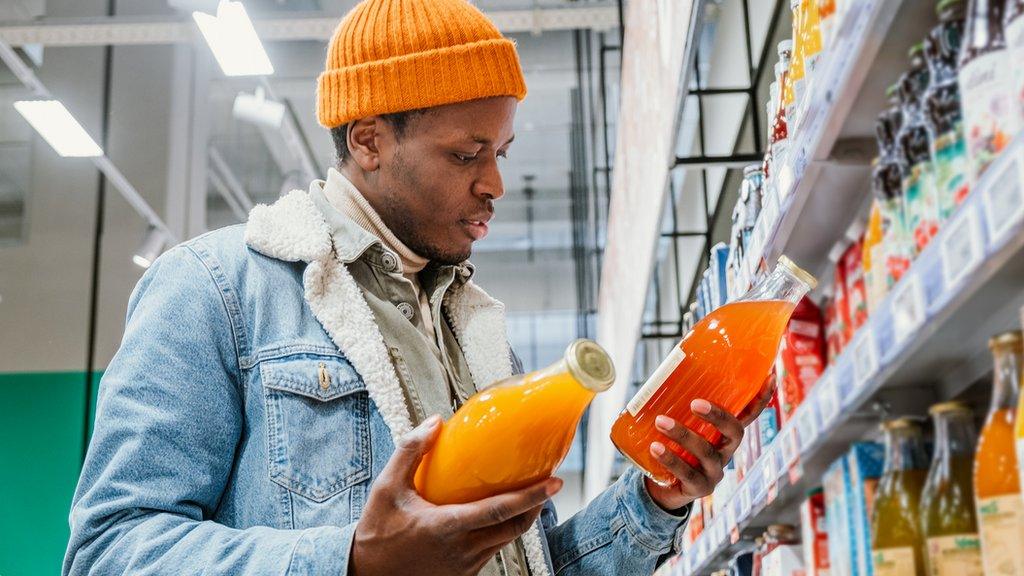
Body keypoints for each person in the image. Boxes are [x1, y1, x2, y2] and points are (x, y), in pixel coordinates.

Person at [63, 0, 772, 574]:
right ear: (369, 141)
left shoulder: (475, 335)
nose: (494, 183)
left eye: (500, 153)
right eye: (467, 153)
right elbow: (110, 551)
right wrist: (352, 561)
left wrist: (655, 499)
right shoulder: (215, 289)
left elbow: (520, 564)